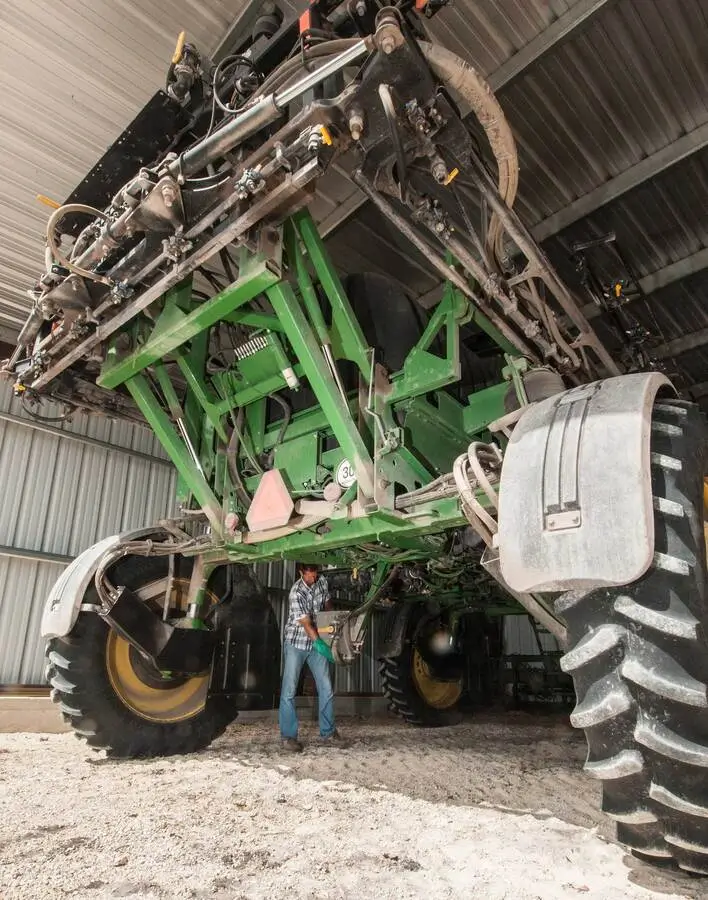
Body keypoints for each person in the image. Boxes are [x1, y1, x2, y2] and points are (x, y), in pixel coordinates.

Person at [279, 563, 346, 752]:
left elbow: (326, 602)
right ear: (301, 573)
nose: (313, 579)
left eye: (315, 575)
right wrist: (321, 645)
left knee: (326, 687)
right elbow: (307, 623)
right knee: (289, 690)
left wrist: (330, 622)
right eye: (309, 576)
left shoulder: (321, 581)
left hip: (317, 642)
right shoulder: (296, 592)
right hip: (296, 644)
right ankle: (288, 737)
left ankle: (328, 732)